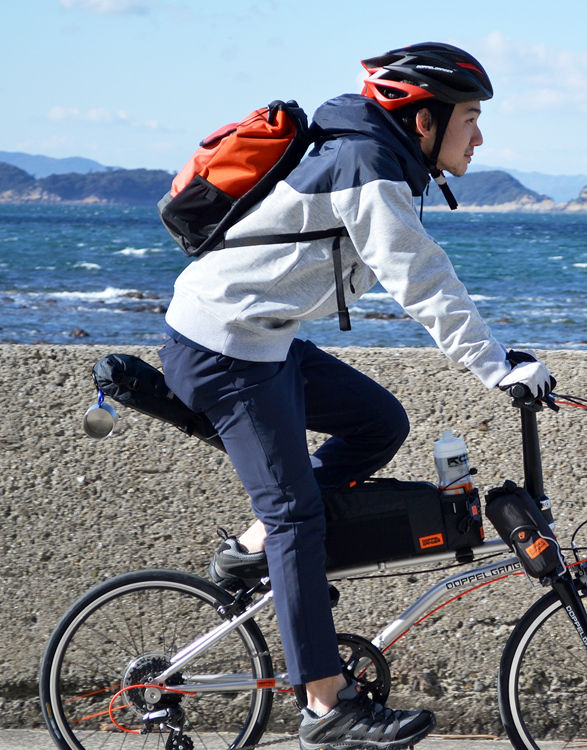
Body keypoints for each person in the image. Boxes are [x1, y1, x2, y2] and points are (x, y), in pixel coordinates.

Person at [157, 42, 555, 750]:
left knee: (379, 423)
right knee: (297, 519)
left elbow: (418, 273)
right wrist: (497, 369)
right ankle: (324, 706)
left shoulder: (379, 158)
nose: (481, 136)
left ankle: (252, 549)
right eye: (469, 118)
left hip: (264, 340)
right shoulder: (367, 165)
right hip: (224, 350)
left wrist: (501, 359)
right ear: (424, 119)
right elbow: (422, 281)